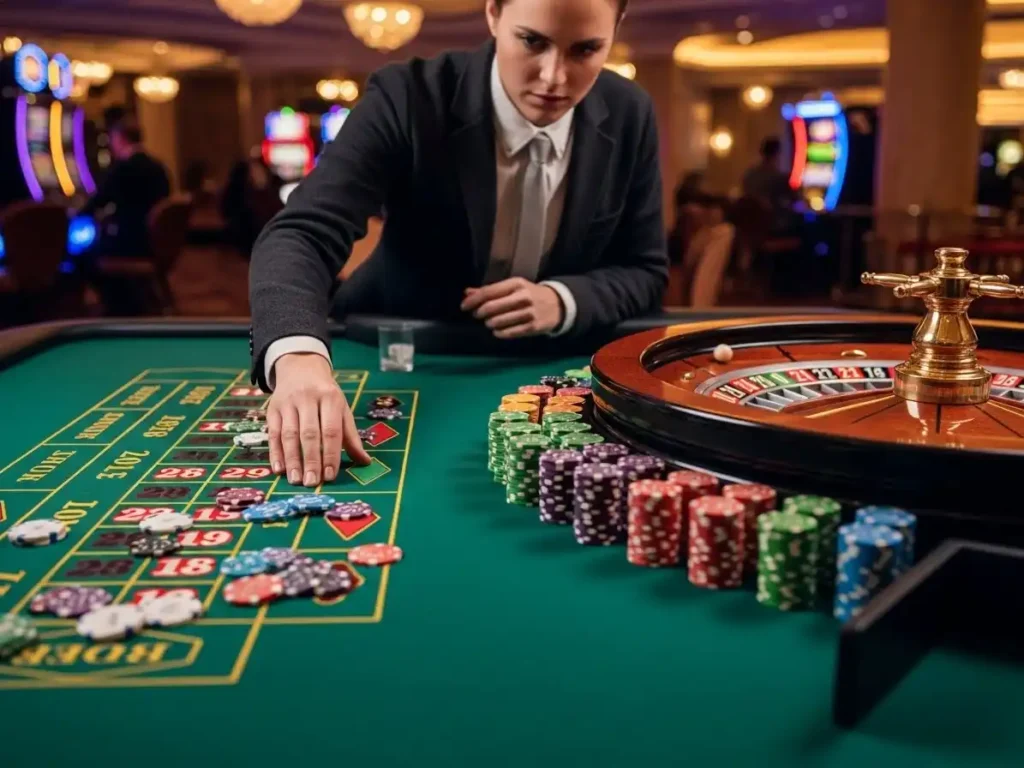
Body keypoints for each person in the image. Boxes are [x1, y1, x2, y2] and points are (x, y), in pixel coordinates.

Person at [248, 0, 669, 488]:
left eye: (585, 50)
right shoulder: (409, 95)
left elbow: (645, 268)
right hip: (404, 347)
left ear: (616, 30)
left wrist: (565, 300)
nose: (554, 77)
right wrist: (299, 359)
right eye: (532, 41)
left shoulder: (629, 111)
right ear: (493, 14)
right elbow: (302, 232)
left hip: (554, 363)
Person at [79, 116, 171, 258]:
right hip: (154, 243)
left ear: (120, 138)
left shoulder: (124, 168)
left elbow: (98, 202)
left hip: (129, 244)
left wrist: (74, 214)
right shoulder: (159, 167)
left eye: (113, 139)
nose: (111, 145)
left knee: (82, 250)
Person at [741, 136, 795, 214]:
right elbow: (790, 202)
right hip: (771, 218)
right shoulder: (779, 179)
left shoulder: (750, 175)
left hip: (749, 218)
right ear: (777, 154)